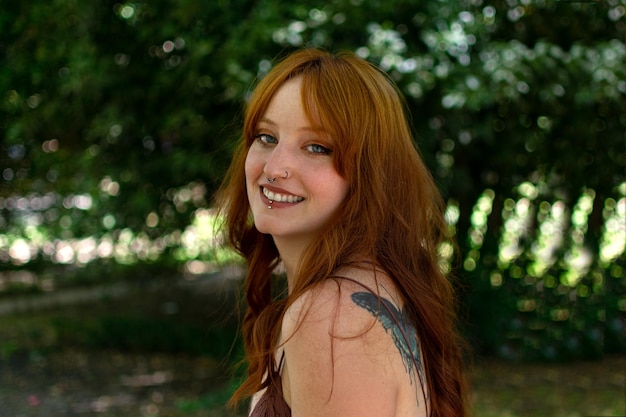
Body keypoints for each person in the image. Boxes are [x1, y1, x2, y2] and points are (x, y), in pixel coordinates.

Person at [215, 48, 469, 417]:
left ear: (367, 175)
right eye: (266, 137)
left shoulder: (331, 317)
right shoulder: (363, 289)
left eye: (317, 147)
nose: (274, 167)